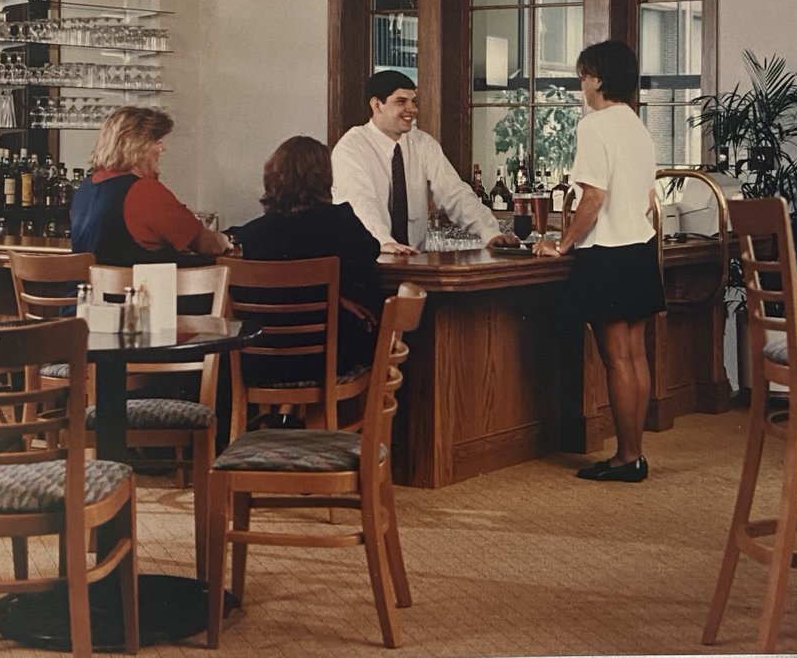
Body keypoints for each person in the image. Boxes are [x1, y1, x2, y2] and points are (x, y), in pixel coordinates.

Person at [532, 40, 664, 482]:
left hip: (607, 253)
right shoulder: (636, 126)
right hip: (639, 247)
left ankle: (627, 458)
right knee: (635, 355)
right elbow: (647, 198)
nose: (582, 86)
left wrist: (563, 243)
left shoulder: (595, 126)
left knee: (616, 359)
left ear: (600, 80)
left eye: (584, 77)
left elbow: (593, 196)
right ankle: (635, 452)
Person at [229, 135, 383, 380]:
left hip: (260, 363)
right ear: (324, 177)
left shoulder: (251, 235)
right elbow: (370, 251)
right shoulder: (341, 222)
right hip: (328, 362)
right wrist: (337, 298)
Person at [331, 69, 514, 254]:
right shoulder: (351, 147)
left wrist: (489, 232)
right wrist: (383, 242)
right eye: (401, 101)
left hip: (413, 260)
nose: (412, 109)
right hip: (368, 260)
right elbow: (359, 204)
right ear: (377, 105)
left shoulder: (423, 143)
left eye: (413, 101)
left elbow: (455, 192)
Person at [71, 106, 231, 266]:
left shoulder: (86, 188)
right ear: (136, 146)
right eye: (157, 141)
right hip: (136, 289)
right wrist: (224, 240)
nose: (163, 148)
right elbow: (205, 244)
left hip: (86, 289)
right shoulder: (144, 192)